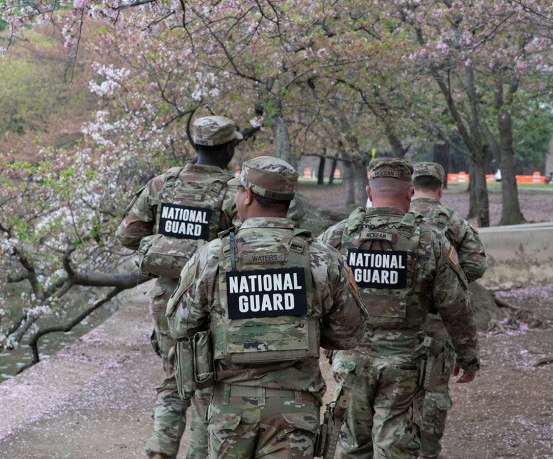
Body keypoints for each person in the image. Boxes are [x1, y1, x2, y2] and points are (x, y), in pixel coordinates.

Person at [167, 156, 368, 458]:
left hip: (231, 410)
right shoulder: (322, 257)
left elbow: (180, 325)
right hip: (296, 410)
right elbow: (349, 333)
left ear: (247, 195)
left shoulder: (212, 256)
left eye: (239, 190)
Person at [319, 158, 481, 459]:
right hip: (403, 364)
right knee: (395, 448)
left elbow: (315, 296)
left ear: (369, 192)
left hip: (350, 361)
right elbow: (456, 306)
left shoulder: (336, 237)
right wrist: (467, 356)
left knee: (352, 446)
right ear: (409, 193)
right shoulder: (430, 240)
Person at [115, 115, 243, 459]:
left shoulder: (162, 184)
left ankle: (161, 448)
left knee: (173, 377)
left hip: (167, 299)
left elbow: (127, 235)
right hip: (213, 304)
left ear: (196, 145)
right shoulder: (233, 192)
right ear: (228, 149)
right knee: (207, 385)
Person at [409, 162, 488, 459]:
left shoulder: (397, 215)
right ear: (440, 188)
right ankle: (428, 452)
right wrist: (447, 281)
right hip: (437, 322)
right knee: (433, 390)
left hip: (396, 320)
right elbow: (477, 265)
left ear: (411, 188)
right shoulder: (452, 221)